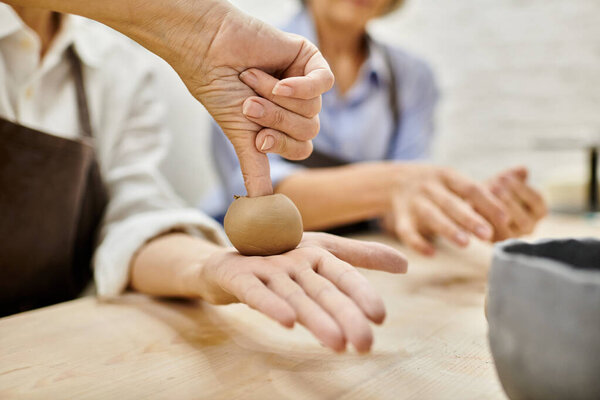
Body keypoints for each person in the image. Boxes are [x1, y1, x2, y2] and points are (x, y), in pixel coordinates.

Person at [0, 2, 410, 353]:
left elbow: (131, 217)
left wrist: (206, 266)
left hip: (60, 337)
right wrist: (198, 27)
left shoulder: (116, 64)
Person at [211, 0, 548, 256]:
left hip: (360, 257)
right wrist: (396, 184)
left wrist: (467, 208)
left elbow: (401, 205)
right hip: (241, 255)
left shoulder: (413, 77)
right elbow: (259, 204)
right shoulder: (250, 58)